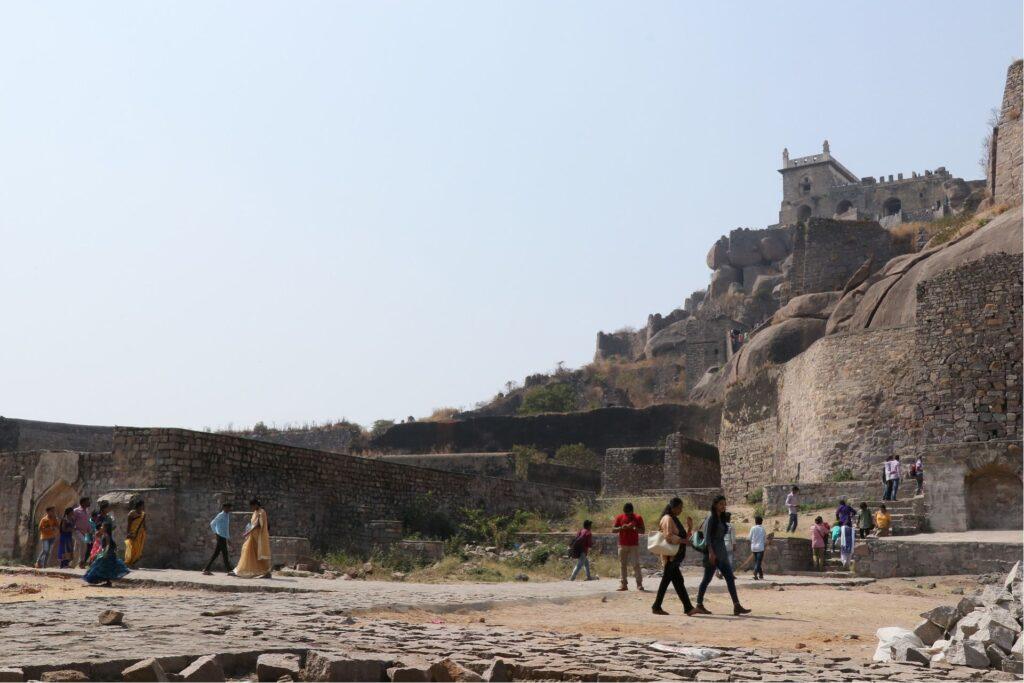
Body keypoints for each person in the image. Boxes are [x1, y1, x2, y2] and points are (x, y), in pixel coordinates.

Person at [695, 496, 750, 616]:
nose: (723, 506)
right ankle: (699, 604)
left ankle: (736, 605)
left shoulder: (721, 518)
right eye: (721, 504)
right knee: (706, 579)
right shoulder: (710, 518)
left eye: (724, 504)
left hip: (722, 553)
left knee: (730, 578)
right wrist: (711, 553)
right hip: (713, 554)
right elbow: (707, 537)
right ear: (715, 505)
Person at [651, 497, 695, 616]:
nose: (681, 510)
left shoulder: (674, 519)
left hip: (675, 557)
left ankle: (687, 607)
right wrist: (683, 541)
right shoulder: (667, 519)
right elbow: (668, 536)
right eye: (679, 507)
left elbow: (683, 537)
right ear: (674, 507)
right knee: (669, 581)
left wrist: (689, 528)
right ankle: (658, 606)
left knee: (677, 581)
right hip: (670, 557)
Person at [82, 520, 130, 587]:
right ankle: (108, 582)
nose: (101, 527)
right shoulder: (105, 535)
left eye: (102, 526)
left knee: (102, 567)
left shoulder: (106, 535)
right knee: (106, 568)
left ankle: (107, 582)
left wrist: (104, 554)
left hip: (107, 554)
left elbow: (107, 545)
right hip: (109, 554)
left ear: (106, 528)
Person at [233, 499, 272, 579]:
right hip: (252, 536)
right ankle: (241, 570)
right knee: (247, 551)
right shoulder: (255, 513)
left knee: (260, 555)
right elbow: (251, 524)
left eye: (253, 506)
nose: (252, 507)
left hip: (259, 538)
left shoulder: (262, 512)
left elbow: (257, 524)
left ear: (256, 504)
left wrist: (248, 532)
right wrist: (248, 531)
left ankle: (266, 572)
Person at [612, 503, 645, 592]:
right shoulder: (619, 517)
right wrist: (622, 528)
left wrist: (634, 528)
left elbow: (643, 531)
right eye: (626, 514)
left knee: (636, 565)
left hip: (634, 545)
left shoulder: (638, 518)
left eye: (629, 514)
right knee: (623, 565)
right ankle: (623, 584)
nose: (628, 515)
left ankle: (639, 584)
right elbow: (613, 530)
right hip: (622, 544)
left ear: (632, 511)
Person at [203, 502, 233, 575]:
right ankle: (229, 570)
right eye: (227, 508)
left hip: (223, 537)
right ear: (223, 508)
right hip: (220, 536)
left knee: (216, 554)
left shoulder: (227, 515)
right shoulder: (221, 515)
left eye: (229, 508)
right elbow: (212, 523)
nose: (229, 509)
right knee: (225, 553)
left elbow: (226, 528)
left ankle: (206, 569)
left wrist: (228, 538)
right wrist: (216, 532)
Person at [87, 501, 113, 566]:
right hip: (100, 537)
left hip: (108, 536)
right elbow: (98, 527)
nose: (109, 509)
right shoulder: (99, 517)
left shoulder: (109, 518)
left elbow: (111, 527)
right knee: (99, 551)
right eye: (107, 507)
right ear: (103, 509)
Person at [123, 500, 147, 568]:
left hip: (140, 534)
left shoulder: (143, 514)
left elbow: (144, 524)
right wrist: (128, 533)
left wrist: (145, 531)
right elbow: (129, 524)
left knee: (138, 550)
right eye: (142, 505)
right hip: (132, 533)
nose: (143, 507)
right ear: (139, 506)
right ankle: (128, 563)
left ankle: (133, 563)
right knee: (131, 549)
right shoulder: (132, 513)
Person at [72, 497, 92, 569]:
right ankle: (82, 562)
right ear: (83, 503)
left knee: (77, 548)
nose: (89, 503)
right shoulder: (76, 511)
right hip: (76, 531)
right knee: (83, 543)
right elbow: (72, 520)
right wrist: (73, 528)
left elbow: (88, 522)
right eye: (88, 501)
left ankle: (73, 563)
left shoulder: (87, 511)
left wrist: (89, 531)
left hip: (84, 532)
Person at [748, 515, 766, 580]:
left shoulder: (752, 528)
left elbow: (749, 538)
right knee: (758, 562)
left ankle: (761, 575)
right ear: (761, 522)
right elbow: (764, 539)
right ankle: (755, 571)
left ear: (755, 522)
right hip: (760, 548)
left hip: (753, 547)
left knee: (757, 561)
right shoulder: (762, 529)